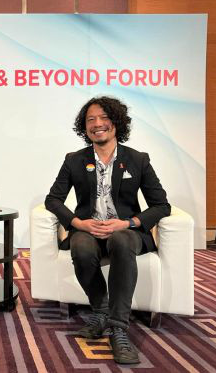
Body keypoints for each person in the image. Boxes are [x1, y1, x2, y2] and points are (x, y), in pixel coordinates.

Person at [45, 95, 170, 365]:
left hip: (126, 232)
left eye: (104, 117)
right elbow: (52, 200)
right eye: (91, 119)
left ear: (117, 123)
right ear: (84, 127)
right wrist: (78, 223)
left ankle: (118, 328)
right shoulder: (74, 160)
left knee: (122, 240)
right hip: (88, 229)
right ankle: (101, 311)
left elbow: (161, 205)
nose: (97, 124)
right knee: (80, 245)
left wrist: (127, 223)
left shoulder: (137, 160)